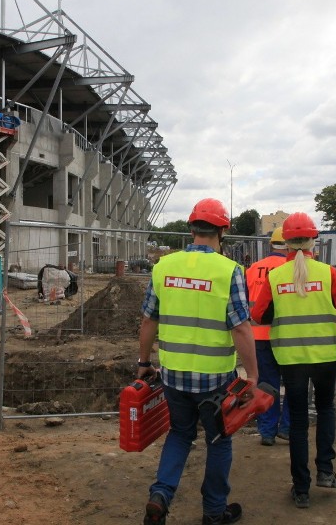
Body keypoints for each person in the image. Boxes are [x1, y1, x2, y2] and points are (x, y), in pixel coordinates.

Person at [138, 198, 258, 525]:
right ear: (223, 231)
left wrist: (143, 362)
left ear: (191, 228)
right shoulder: (229, 270)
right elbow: (242, 328)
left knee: (179, 434)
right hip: (215, 379)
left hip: (173, 376)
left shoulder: (163, 267)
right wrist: (253, 375)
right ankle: (214, 512)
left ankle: (160, 496)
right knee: (219, 441)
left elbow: (149, 321)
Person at [251, 212, 336, 510]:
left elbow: (259, 315)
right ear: (314, 240)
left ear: (285, 243)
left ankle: (301, 489)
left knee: (297, 421)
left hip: (291, 359)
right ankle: (325, 471)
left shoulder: (275, 276)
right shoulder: (329, 273)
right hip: (325, 358)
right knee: (325, 410)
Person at [246, 226, 291, 446]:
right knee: (293, 383)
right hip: (287, 336)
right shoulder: (293, 269)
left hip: (258, 336)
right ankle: (287, 427)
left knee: (266, 383)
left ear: (271, 244)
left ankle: (266, 431)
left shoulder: (253, 269)